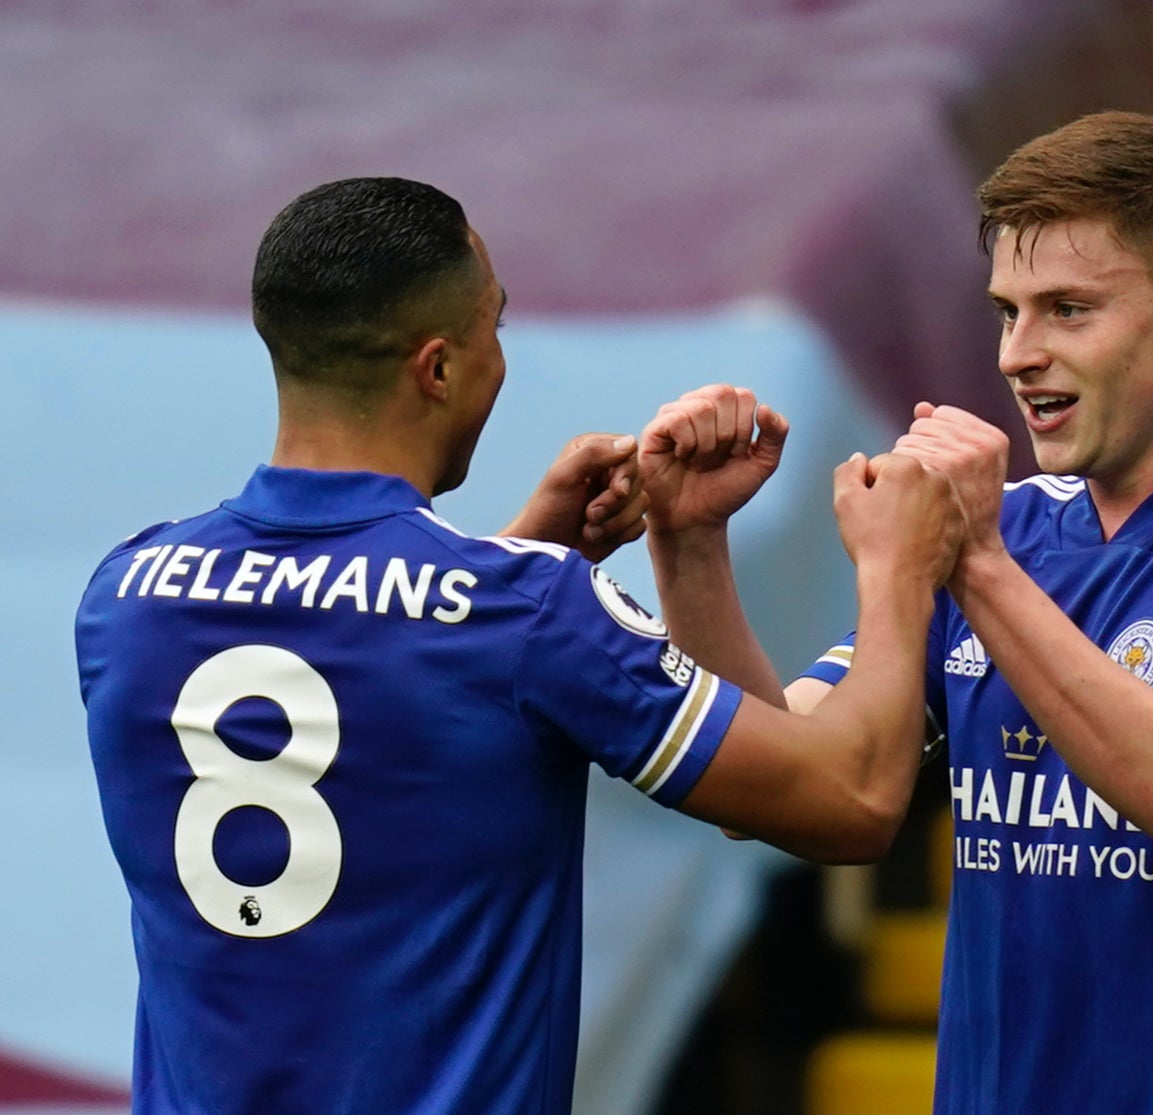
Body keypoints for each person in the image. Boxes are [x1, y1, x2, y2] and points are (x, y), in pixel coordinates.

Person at [73, 176, 963, 1114]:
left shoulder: (126, 594)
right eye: (492, 326)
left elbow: (377, 680)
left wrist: (534, 553)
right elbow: (849, 801)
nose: (501, 357)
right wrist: (898, 565)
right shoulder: (528, 613)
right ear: (439, 368)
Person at [638, 112, 1153, 1113]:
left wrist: (979, 565)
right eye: (1007, 311)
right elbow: (788, 783)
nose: (1017, 353)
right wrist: (691, 546)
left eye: (1068, 310)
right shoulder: (1006, 531)